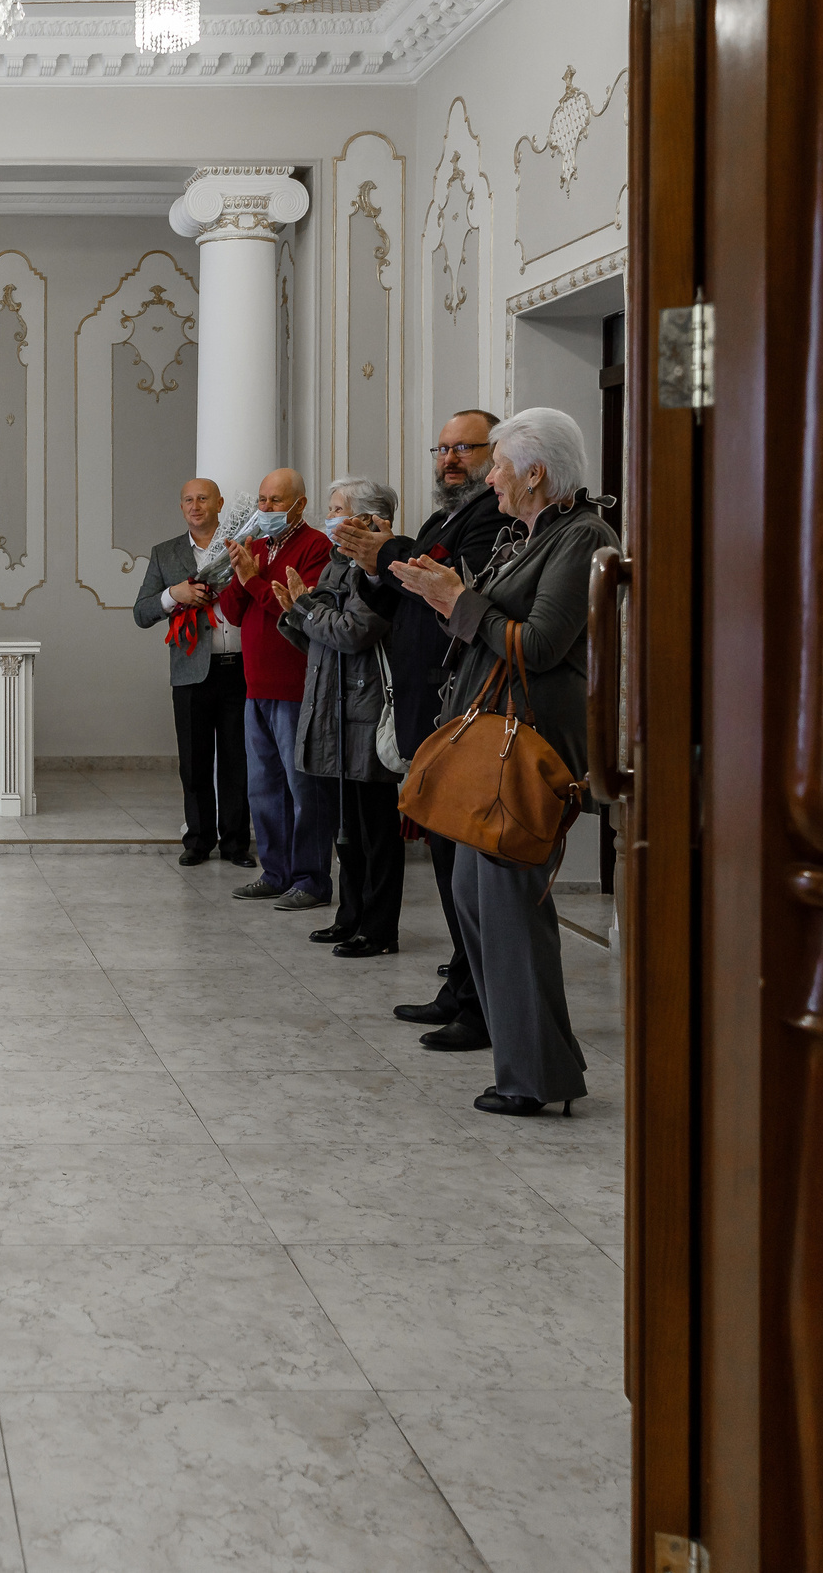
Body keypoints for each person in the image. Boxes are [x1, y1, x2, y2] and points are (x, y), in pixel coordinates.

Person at [393, 407, 619, 1116]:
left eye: (498, 466)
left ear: (536, 473)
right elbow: (489, 623)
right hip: (493, 737)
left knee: (511, 910)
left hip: (531, 743)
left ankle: (534, 1078)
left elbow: (541, 645)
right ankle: (538, 1059)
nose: (490, 479)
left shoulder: (584, 536)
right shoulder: (533, 533)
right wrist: (446, 596)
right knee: (474, 898)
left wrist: (459, 600)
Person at [337, 410, 512, 1026]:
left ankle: (475, 997)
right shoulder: (439, 520)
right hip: (424, 709)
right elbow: (397, 596)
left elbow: (456, 584)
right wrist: (371, 565)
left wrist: (389, 550)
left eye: (464, 448)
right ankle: (462, 985)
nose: (449, 460)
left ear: (497, 453)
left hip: (460, 707)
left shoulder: (492, 516)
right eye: (441, 449)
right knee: (446, 863)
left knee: (463, 863)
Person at [277, 478, 406, 958]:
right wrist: (297, 613)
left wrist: (306, 610)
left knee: (375, 830)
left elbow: (353, 632)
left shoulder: (381, 569)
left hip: (367, 710)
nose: (330, 519)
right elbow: (321, 640)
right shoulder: (337, 564)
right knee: (346, 829)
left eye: (338, 510)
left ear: (369, 519)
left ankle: (379, 928)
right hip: (334, 707)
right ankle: (349, 916)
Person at [214, 467, 335, 912]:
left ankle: (311, 880)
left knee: (304, 790)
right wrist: (237, 570)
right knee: (263, 788)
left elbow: (298, 612)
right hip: (255, 687)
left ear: (300, 505)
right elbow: (233, 612)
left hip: (296, 686)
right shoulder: (258, 545)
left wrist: (253, 580)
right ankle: (276, 873)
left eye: (275, 501)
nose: (265, 508)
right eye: (262, 500)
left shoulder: (316, 546)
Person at [132, 477, 253, 868]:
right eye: (188, 500)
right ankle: (198, 840)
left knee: (237, 761)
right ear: (181, 507)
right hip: (189, 672)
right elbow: (141, 612)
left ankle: (236, 844)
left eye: (203, 498)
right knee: (194, 762)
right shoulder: (165, 553)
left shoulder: (242, 545)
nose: (195, 505)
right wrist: (174, 595)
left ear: (219, 503)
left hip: (241, 668)